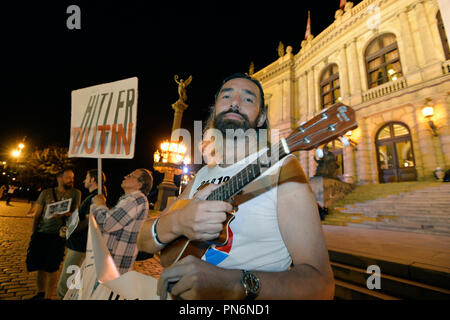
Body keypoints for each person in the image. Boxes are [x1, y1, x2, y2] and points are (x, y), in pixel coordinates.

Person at [137, 73, 335, 300]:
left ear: (260, 118)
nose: (235, 102)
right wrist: (179, 221)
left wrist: (233, 284)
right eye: (227, 96)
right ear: (215, 109)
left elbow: (322, 286)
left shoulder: (282, 168)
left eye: (248, 99)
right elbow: (143, 239)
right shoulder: (203, 173)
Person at [25, 169, 81, 300]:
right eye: (68, 178)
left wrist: (64, 214)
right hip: (42, 233)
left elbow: (76, 213)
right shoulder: (46, 193)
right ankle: (40, 293)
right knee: (39, 265)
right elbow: (38, 215)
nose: (71, 180)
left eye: (72, 178)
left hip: (58, 235)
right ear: (59, 178)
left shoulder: (75, 193)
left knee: (52, 267)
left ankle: (48, 297)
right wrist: (34, 233)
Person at [56, 169, 106, 299]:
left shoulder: (97, 196)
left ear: (93, 180)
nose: (84, 180)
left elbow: (90, 219)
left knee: (66, 286)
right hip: (80, 244)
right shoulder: (95, 195)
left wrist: (69, 231)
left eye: (86, 177)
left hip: (79, 246)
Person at [91, 168, 152, 275]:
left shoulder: (137, 199)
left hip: (114, 263)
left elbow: (107, 224)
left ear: (139, 184)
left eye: (130, 176)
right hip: (111, 260)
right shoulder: (129, 199)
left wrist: (99, 205)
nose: (125, 177)